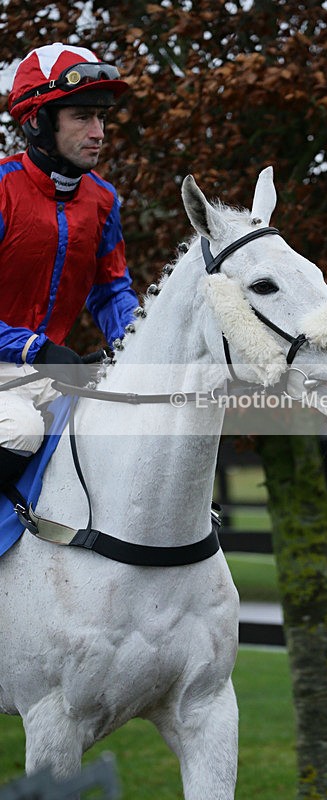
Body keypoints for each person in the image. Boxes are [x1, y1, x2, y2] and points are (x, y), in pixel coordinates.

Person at [0, 43, 138, 492]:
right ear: (38, 121)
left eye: (101, 117)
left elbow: (112, 289)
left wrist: (133, 343)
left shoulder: (103, 199)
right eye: (82, 117)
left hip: (49, 372)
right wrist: (36, 349)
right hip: (21, 370)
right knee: (18, 430)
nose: (98, 131)